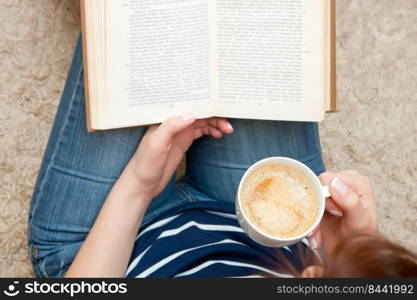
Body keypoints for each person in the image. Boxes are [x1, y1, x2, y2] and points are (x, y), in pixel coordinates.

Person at [28, 36, 417, 278]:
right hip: (256, 224)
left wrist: (139, 184)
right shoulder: (322, 267)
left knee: (135, 31)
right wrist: (358, 252)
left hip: (104, 245)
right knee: (262, 24)